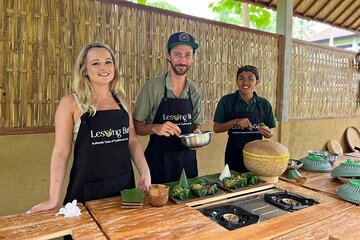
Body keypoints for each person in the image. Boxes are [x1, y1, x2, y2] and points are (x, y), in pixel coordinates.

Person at [29, 42, 151, 213]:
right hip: (86, 192)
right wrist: (53, 198)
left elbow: (132, 141)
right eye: (95, 63)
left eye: (108, 62)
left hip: (123, 190)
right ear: (84, 70)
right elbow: (61, 153)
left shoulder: (122, 102)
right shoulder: (71, 103)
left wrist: (145, 173)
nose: (104, 67)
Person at [133, 32, 205, 184]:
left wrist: (197, 133)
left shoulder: (195, 91)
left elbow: (197, 124)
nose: (182, 60)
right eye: (177, 54)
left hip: (188, 163)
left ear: (192, 58)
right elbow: (136, 127)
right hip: (158, 162)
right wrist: (155, 128)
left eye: (187, 55)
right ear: (168, 56)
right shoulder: (152, 87)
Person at [213, 65, 276, 173]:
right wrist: (235, 121)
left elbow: (270, 133)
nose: (245, 83)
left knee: (256, 186)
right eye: (241, 78)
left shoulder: (264, 104)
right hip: (234, 154)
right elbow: (216, 128)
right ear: (236, 81)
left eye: (250, 78)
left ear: (257, 82)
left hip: (257, 156)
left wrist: (267, 132)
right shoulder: (226, 101)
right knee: (233, 185)